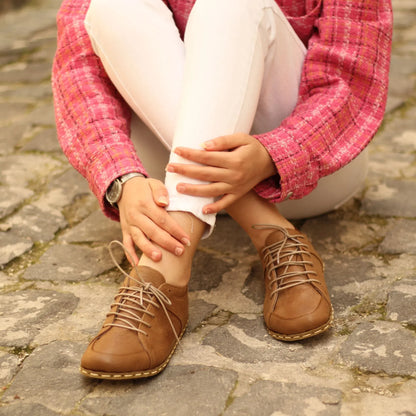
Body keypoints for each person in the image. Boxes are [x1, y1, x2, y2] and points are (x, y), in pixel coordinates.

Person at [52, 0, 393, 380]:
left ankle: (163, 269)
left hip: (310, 172)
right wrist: (122, 179)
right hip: (166, 168)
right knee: (112, 9)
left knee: (230, 5)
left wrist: (272, 153)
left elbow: (352, 77)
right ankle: (268, 227)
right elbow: (79, 70)